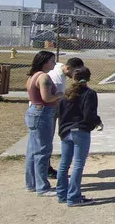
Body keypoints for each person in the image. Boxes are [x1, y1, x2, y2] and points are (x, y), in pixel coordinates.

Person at [55, 66, 102, 207]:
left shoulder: (65, 94)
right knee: (78, 165)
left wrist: (62, 131)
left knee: (64, 164)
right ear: (88, 78)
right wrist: (96, 122)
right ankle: (74, 196)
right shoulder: (89, 93)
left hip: (66, 131)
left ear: (73, 78)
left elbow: (59, 114)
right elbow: (89, 114)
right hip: (80, 131)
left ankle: (62, 193)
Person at [24, 51, 61, 196]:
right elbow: (47, 98)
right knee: (42, 151)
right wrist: (60, 95)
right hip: (43, 113)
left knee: (32, 151)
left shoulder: (33, 76)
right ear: (44, 62)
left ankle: (31, 183)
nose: (54, 63)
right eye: (52, 61)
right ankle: (42, 187)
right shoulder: (43, 77)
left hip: (34, 112)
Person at [45, 57, 85, 178]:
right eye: (74, 72)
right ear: (68, 68)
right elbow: (53, 98)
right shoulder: (57, 79)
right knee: (47, 140)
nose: (75, 75)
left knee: (47, 140)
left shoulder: (60, 67)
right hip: (49, 110)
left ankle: (45, 167)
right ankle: (45, 168)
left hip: (53, 109)